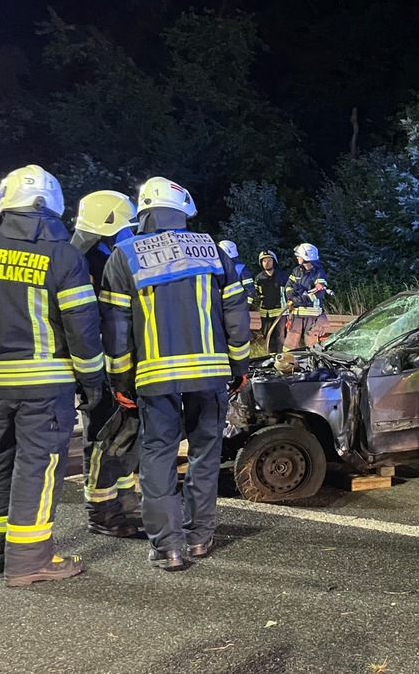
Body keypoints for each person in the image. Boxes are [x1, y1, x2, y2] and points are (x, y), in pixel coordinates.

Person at [100, 177, 251, 572]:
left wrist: (120, 380)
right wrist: (239, 366)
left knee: (158, 456)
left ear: (143, 210)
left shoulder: (124, 255)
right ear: (184, 210)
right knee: (205, 454)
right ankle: (199, 537)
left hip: (155, 377)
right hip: (211, 372)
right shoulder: (212, 249)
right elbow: (236, 313)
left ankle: (168, 547)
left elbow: (116, 328)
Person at [0, 165, 104, 586]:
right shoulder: (62, 256)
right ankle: (29, 561)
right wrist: (92, 381)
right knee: (38, 468)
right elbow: (81, 328)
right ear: (51, 205)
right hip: (45, 385)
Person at [71, 190, 142, 536]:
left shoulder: (94, 255)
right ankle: (102, 512)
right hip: (98, 366)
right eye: (127, 226)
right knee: (103, 436)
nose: (130, 233)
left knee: (123, 433)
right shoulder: (83, 262)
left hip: (109, 362)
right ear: (109, 223)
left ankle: (124, 502)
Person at [284, 243, 330, 349]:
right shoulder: (297, 271)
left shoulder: (318, 273)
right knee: (290, 343)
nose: (297, 258)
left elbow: (319, 293)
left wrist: (303, 299)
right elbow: (288, 286)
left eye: (299, 256)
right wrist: (291, 295)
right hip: (296, 314)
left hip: (312, 316)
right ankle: (287, 359)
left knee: (312, 344)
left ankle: (314, 360)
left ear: (306, 257)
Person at [253, 250, 288, 353]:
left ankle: (281, 358)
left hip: (280, 312)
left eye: (269, 260)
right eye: (264, 261)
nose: (267, 263)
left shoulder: (282, 276)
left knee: (280, 337)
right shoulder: (259, 278)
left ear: (274, 262)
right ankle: (271, 357)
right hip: (265, 314)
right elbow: (256, 295)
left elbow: (289, 292)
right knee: (267, 337)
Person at [218, 240, 258, 305]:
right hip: (226, 305)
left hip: (235, 306)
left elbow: (250, 290)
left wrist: (246, 305)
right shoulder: (222, 269)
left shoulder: (240, 269)